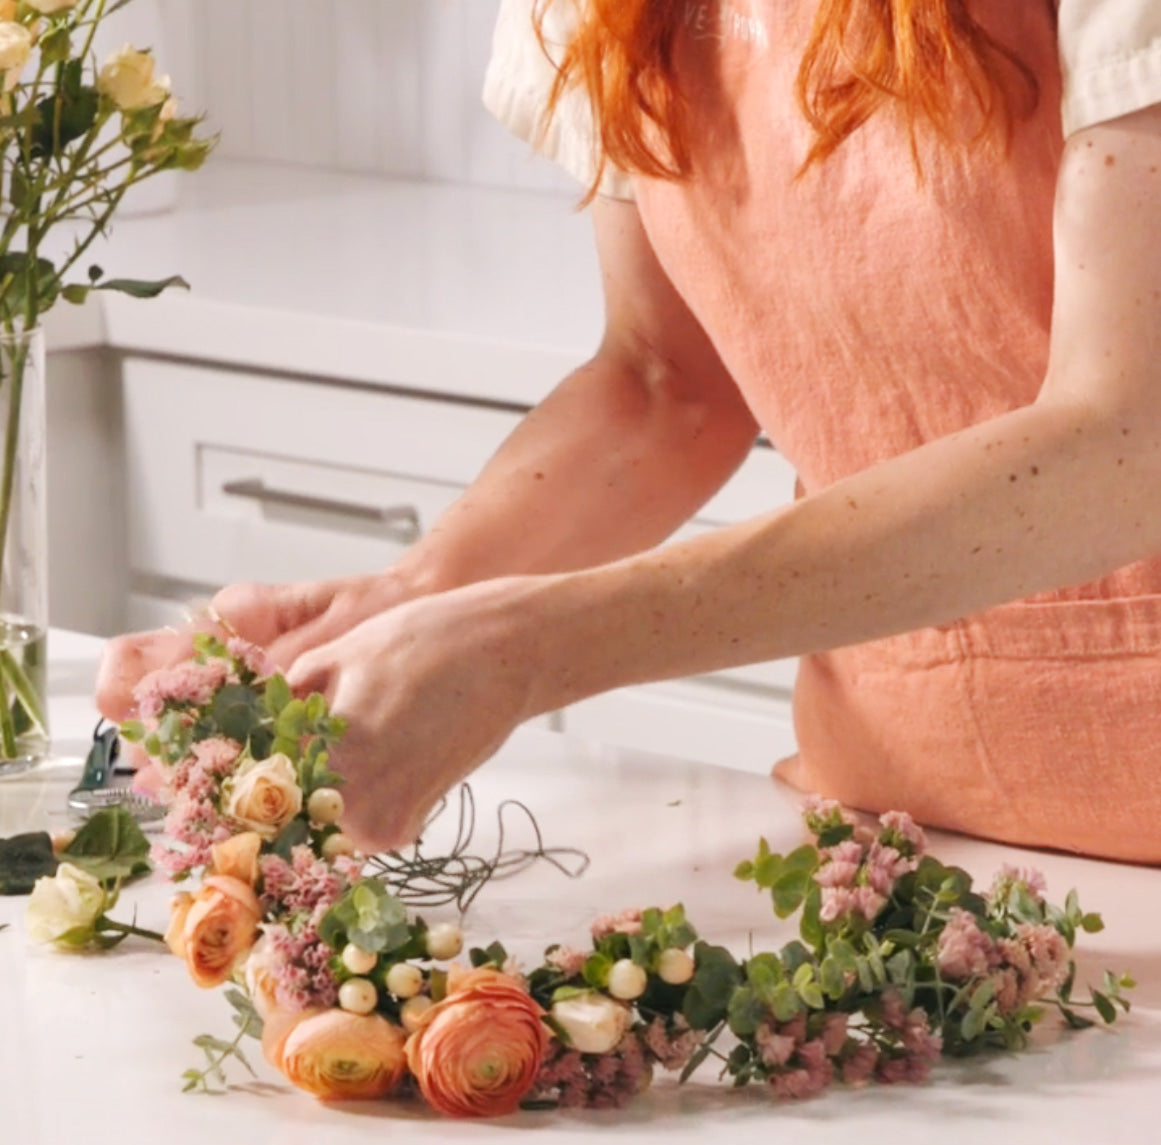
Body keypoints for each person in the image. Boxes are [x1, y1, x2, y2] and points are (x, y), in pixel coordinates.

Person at [97, 0, 1161, 863]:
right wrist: (407, 603)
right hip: (893, 828)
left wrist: (529, 647)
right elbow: (667, 385)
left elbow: (1125, 444)